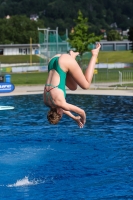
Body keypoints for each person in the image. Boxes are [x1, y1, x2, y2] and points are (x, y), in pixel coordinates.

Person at [43, 43, 101, 128]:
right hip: (53, 60)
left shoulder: (60, 103)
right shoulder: (47, 102)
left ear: (59, 112)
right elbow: (63, 107)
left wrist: (83, 119)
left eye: (61, 114)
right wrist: (74, 118)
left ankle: (94, 54)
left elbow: (82, 112)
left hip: (64, 62)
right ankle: (72, 56)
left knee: (86, 85)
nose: (62, 112)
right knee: (73, 87)